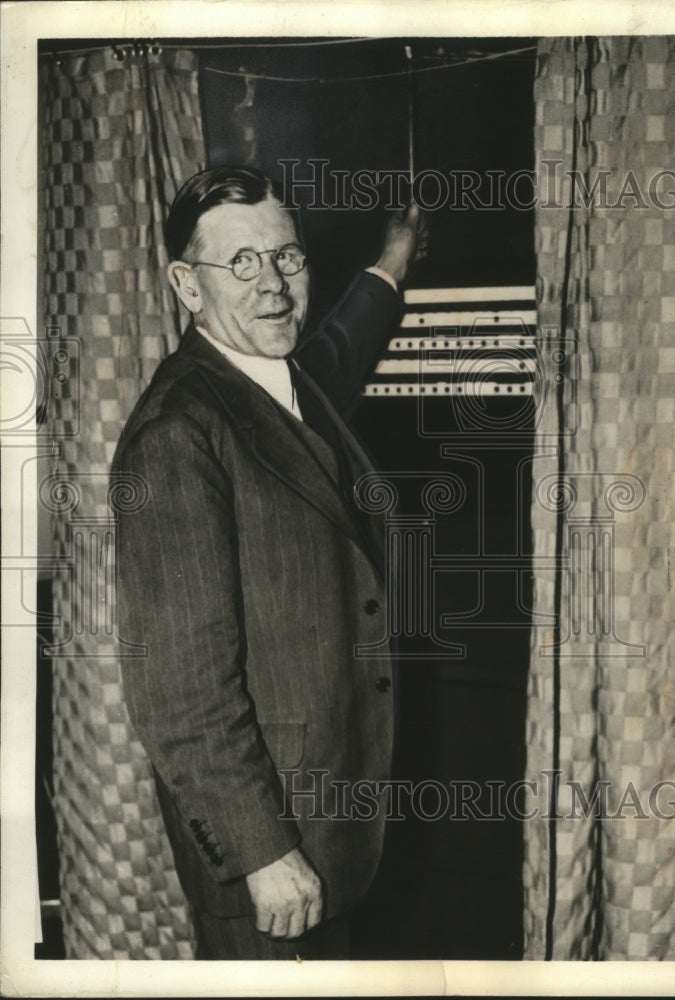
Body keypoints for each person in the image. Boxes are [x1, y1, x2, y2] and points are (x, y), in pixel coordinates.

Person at [111, 166, 424, 959]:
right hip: (278, 861)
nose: (273, 285)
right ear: (187, 285)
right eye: (240, 264)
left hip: (341, 832)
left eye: (286, 257)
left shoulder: (277, 380)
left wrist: (393, 261)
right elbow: (179, 690)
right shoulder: (176, 436)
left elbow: (339, 350)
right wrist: (261, 853)